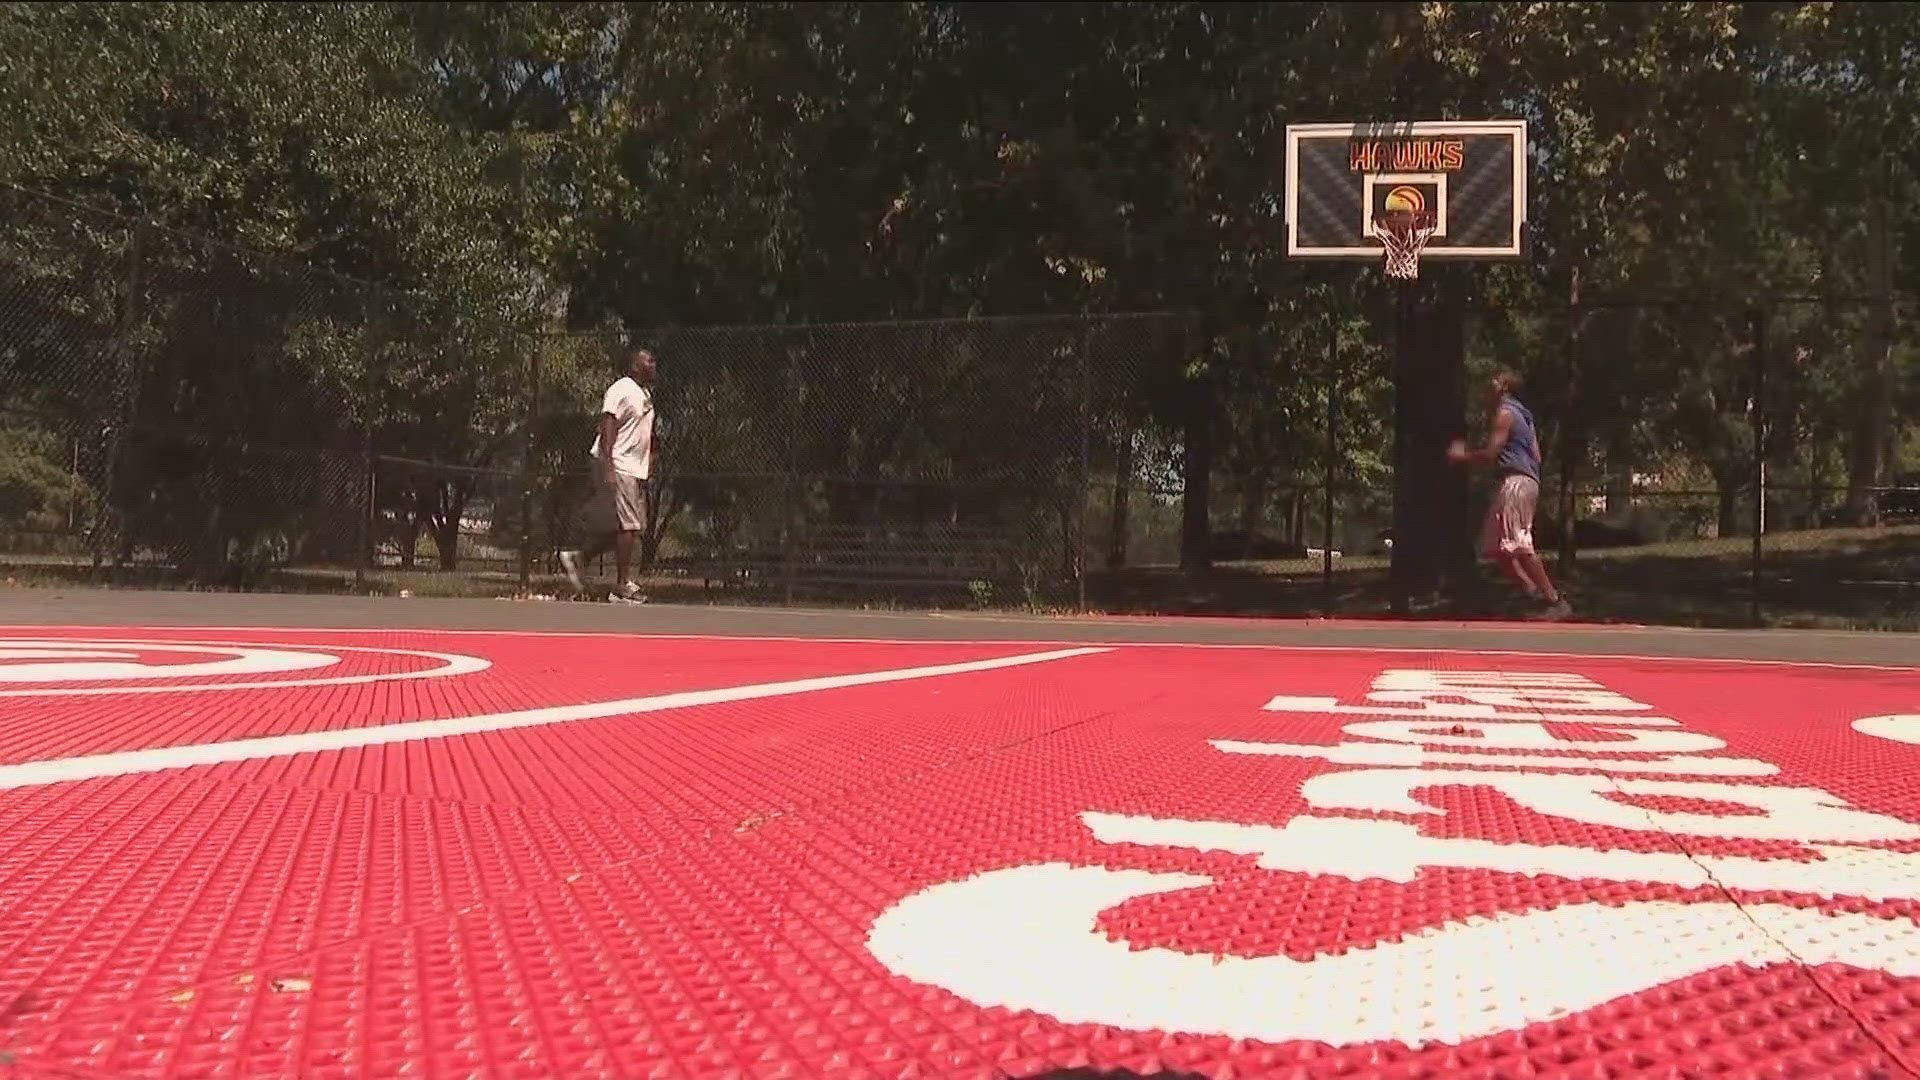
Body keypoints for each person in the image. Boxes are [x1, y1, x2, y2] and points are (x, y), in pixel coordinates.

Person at [1447, 368, 1572, 621]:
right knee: (1496, 548)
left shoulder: (1505, 414)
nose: (1487, 388)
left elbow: (1492, 453)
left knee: (1521, 545)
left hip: (1516, 482)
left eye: (1492, 383)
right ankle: (1533, 595)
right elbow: (1537, 456)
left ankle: (1554, 600)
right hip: (1522, 481)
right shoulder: (1526, 417)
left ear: (1504, 388)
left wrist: (1462, 456)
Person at [560, 346, 657, 603]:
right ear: (635, 365)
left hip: (635, 469)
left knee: (628, 528)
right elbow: (608, 424)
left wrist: (648, 468)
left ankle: (579, 557)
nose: (653, 364)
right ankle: (622, 585)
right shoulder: (621, 388)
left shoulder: (644, 394)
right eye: (648, 360)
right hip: (618, 464)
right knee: (628, 525)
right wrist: (610, 465)